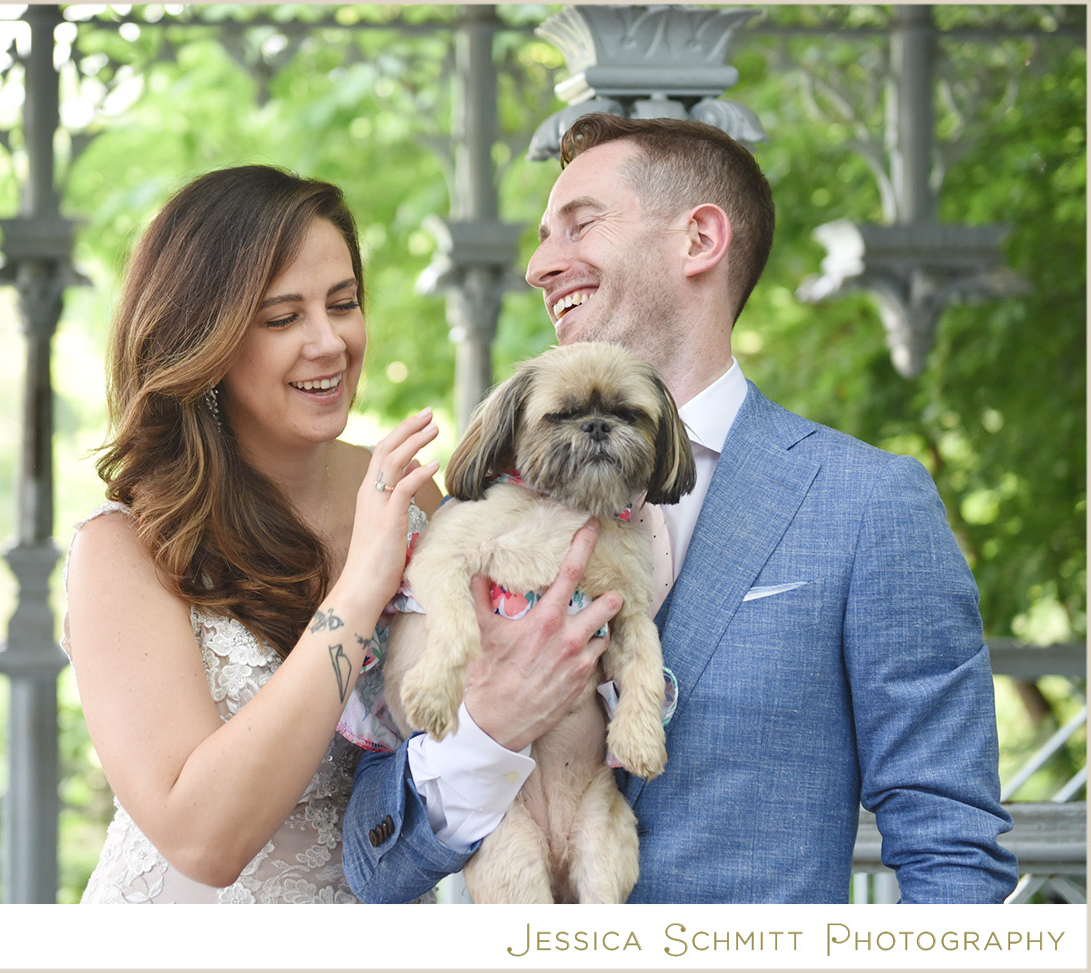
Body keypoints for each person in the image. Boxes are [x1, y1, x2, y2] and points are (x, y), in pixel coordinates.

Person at [341, 114, 1019, 903]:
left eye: (578, 225)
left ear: (699, 239)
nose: (538, 266)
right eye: (541, 236)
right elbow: (371, 862)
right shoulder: (481, 503)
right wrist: (486, 729)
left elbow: (951, 845)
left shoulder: (868, 504)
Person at [63, 164, 441, 903]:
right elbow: (205, 839)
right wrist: (363, 583)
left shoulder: (411, 493)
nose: (329, 342)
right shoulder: (124, 550)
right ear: (207, 338)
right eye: (282, 318)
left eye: (344, 303)